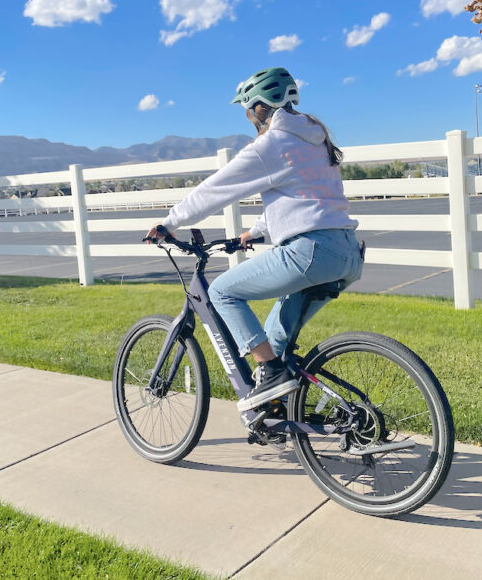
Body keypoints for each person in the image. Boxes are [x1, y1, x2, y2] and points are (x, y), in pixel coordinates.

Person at [147, 67, 363, 413]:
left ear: (259, 107)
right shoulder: (315, 139)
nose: (247, 118)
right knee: (274, 339)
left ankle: (273, 374)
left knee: (220, 291)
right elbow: (305, 198)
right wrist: (255, 232)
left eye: (246, 110)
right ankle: (278, 412)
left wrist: (169, 223)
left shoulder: (271, 144)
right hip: (347, 253)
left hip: (309, 252)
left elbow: (214, 191)